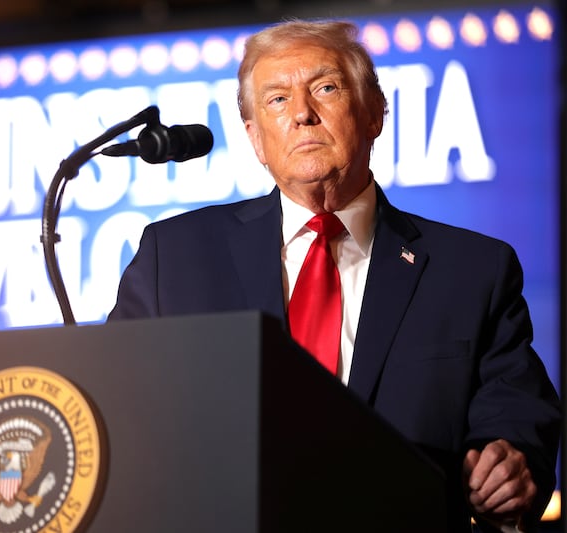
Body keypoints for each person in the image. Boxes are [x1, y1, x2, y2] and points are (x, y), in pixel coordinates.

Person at [107, 19, 561, 532]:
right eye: (277, 100)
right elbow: (118, 408)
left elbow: (515, 410)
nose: (302, 113)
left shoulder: (473, 270)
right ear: (256, 139)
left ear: (374, 114)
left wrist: (511, 459)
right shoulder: (175, 256)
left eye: (325, 88)